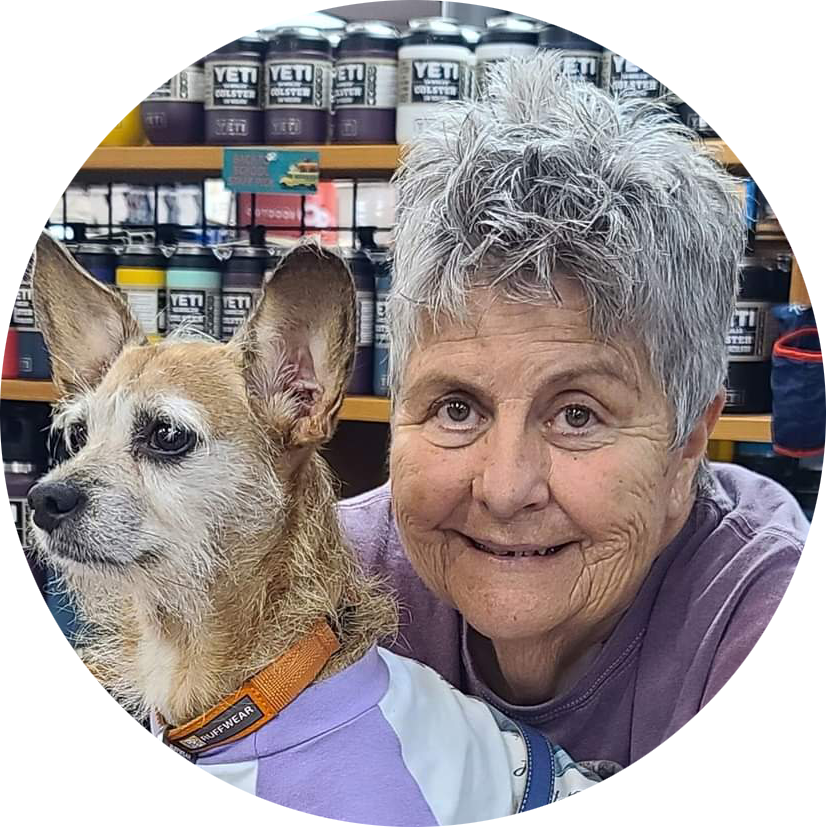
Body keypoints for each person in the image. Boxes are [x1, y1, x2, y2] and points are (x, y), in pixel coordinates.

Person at [338, 51, 812, 825]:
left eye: (578, 414)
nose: (503, 485)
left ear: (689, 442)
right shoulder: (324, 581)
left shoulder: (776, 622)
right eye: (457, 407)